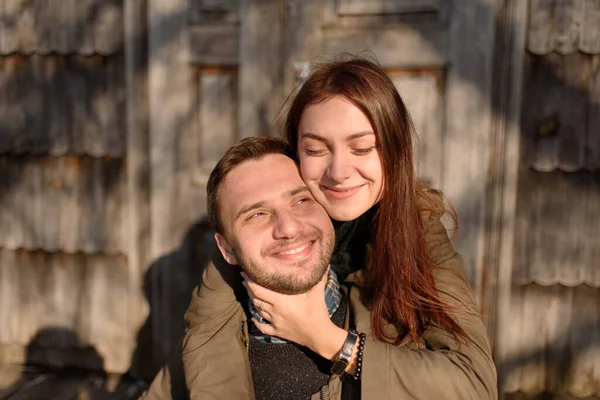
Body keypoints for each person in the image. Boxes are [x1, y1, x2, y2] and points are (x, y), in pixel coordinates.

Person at [145, 57, 497, 399]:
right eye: (315, 150)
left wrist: (327, 339)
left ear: (393, 151)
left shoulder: (416, 228)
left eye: (361, 147)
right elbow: (207, 343)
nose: (339, 172)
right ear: (295, 154)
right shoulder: (257, 237)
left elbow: (473, 384)